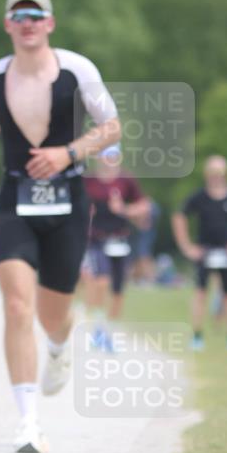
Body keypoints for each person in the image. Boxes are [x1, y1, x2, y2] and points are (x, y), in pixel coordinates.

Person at [0, 0, 121, 453]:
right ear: (8, 25)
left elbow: (111, 127)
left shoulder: (78, 70)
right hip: (15, 200)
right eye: (19, 16)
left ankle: (60, 344)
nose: (28, 23)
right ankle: (28, 422)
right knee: (17, 306)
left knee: (51, 314)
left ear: (50, 23)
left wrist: (68, 152)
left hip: (68, 202)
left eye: (36, 15)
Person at [171, 155, 227, 351]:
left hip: (226, 253)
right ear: (207, 174)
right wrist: (186, 245)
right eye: (212, 172)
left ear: (225, 174)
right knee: (200, 294)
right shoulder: (199, 197)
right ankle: (197, 336)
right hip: (204, 252)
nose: (216, 176)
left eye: (219, 172)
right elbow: (179, 216)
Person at [83, 146, 150, 350]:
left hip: (120, 240)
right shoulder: (89, 181)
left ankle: (108, 332)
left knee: (119, 290)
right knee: (101, 281)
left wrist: (124, 209)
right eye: (106, 156)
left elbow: (143, 207)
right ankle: (98, 327)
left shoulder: (126, 180)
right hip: (97, 240)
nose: (110, 160)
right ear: (99, 158)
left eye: (114, 156)